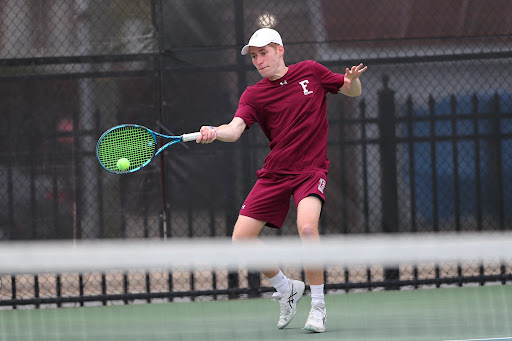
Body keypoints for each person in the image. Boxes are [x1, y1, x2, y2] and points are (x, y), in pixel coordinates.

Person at [195, 28, 367, 333]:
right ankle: (286, 287)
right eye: (254, 56)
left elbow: (351, 91)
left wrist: (353, 82)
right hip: (275, 173)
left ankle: (318, 307)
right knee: (241, 239)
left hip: (311, 170)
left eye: (264, 53)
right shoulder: (254, 94)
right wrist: (214, 131)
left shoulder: (311, 73)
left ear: (280, 50)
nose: (259, 61)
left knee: (306, 226)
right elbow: (234, 130)